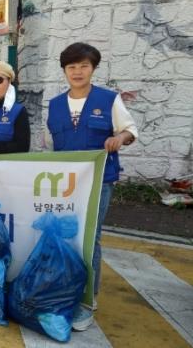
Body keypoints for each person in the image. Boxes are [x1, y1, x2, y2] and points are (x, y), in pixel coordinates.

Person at [46, 42, 138, 331]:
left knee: (90, 238)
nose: (77, 71)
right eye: (71, 67)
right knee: (63, 235)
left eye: (83, 66)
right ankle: (64, 290)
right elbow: (49, 146)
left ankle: (87, 300)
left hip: (100, 181)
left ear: (93, 68)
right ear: (64, 71)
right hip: (64, 184)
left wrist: (119, 138)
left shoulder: (108, 99)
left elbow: (129, 130)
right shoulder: (55, 104)